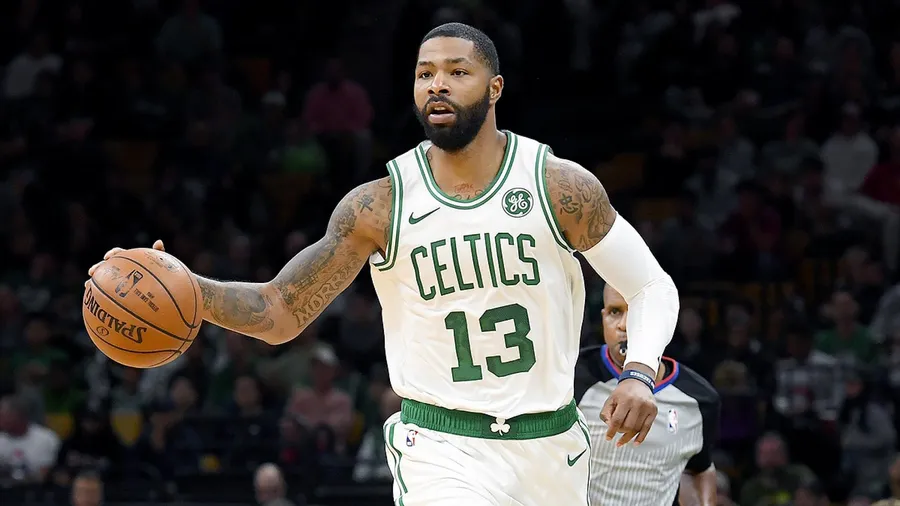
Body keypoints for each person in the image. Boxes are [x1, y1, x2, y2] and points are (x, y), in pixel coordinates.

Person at [89, 22, 679, 506]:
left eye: (457, 72)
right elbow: (281, 310)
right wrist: (191, 290)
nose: (437, 85)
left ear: (495, 87)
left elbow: (651, 286)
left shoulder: (558, 188)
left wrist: (639, 372)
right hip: (441, 447)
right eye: (425, 74)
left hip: (552, 447)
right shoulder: (380, 206)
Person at [576, 284, 719, 506]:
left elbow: (701, 469)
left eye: (638, 311)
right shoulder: (570, 376)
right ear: (603, 317)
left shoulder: (700, 400)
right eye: (615, 311)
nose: (624, 324)